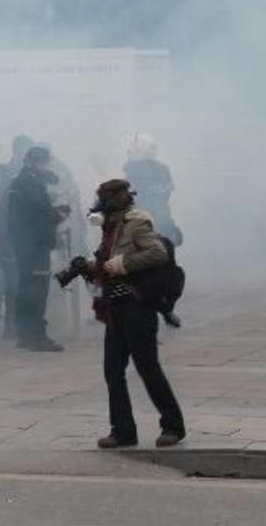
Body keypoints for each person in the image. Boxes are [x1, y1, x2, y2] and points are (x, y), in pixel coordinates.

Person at [87, 179, 186, 449]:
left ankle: (173, 426)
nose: (104, 202)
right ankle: (122, 431)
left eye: (109, 197)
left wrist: (123, 264)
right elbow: (106, 259)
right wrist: (90, 266)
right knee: (112, 371)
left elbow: (158, 253)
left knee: (147, 368)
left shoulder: (136, 222)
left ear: (122, 198)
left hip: (137, 306)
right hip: (115, 307)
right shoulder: (108, 224)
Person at [7, 146, 69, 352]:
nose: (46, 167)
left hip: (24, 244)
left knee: (26, 289)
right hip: (34, 245)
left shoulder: (20, 182)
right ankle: (36, 337)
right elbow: (37, 215)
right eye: (43, 163)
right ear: (35, 163)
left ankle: (24, 335)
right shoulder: (30, 184)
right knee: (36, 291)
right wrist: (58, 215)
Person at [0, 135, 34, 338]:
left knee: (16, 278)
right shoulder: (6, 172)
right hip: (9, 231)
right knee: (12, 278)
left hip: (18, 232)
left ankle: (17, 322)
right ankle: (11, 324)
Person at [123, 133, 182, 246]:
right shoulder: (163, 171)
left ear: (136, 152)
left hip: (141, 228)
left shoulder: (132, 173)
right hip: (165, 225)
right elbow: (165, 198)